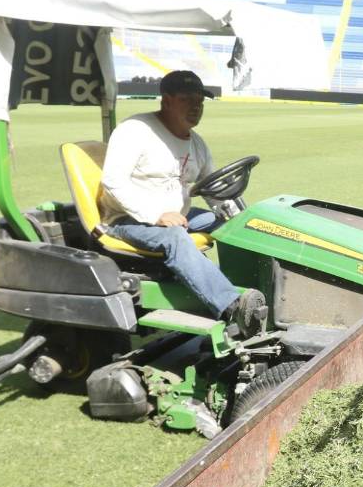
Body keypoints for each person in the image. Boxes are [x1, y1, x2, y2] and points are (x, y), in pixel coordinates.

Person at [99, 70, 267, 336]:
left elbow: (212, 186)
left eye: (200, 100)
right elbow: (112, 181)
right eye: (187, 99)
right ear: (166, 101)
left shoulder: (196, 143)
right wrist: (156, 215)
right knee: (176, 238)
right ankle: (233, 307)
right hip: (126, 220)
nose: (196, 107)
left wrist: (232, 213)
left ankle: (260, 286)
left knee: (234, 224)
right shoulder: (136, 131)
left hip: (178, 216)